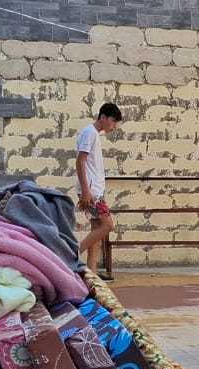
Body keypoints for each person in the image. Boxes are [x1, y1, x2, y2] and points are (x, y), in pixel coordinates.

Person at [76, 103, 122, 280]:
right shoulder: (89, 133)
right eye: (112, 121)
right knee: (108, 225)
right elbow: (80, 162)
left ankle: (91, 273)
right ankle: (73, 254)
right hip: (92, 192)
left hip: (95, 190)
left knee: (97, 228)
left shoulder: (93, 134)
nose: (114, 126)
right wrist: (86, 192)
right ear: (103, 117)